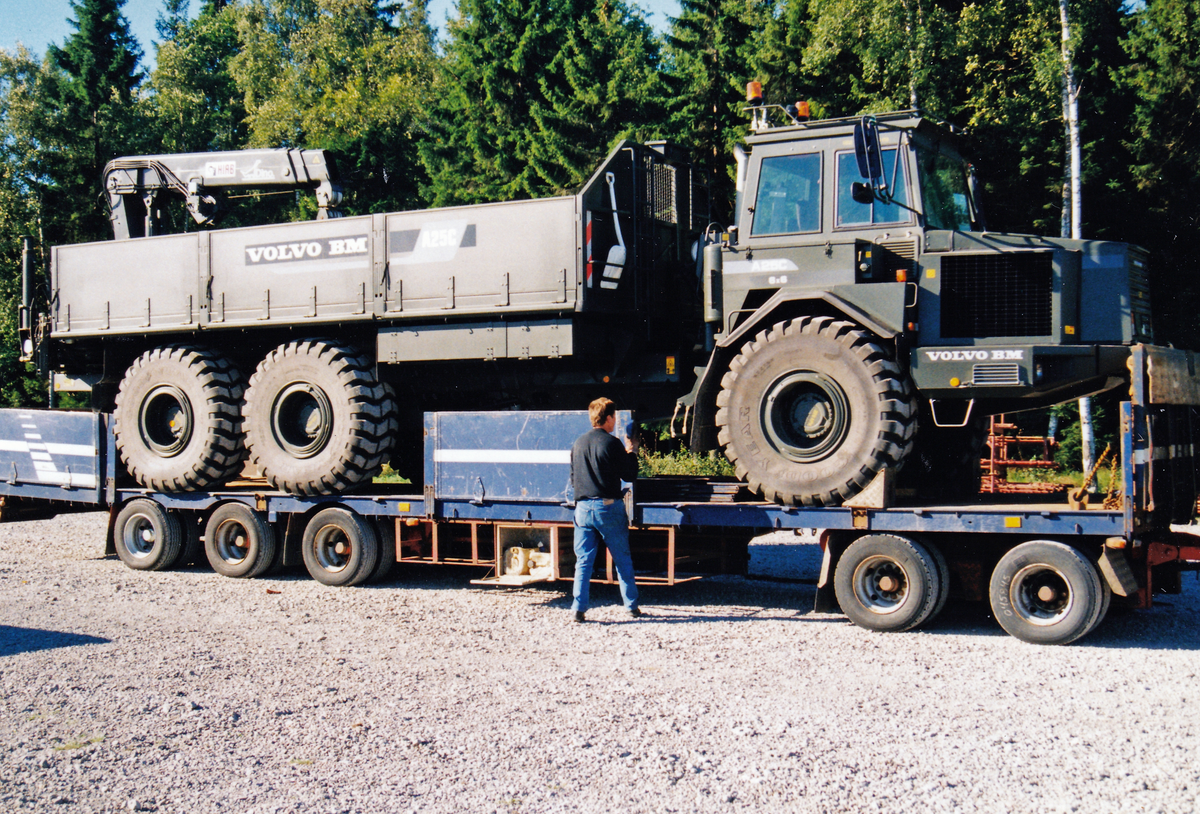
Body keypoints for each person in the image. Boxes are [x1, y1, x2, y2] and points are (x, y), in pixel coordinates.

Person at [569, 397, 641, 622]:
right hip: (607, 507)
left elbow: (573, 479)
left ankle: (578, 609)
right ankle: (631, 606)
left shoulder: (578, 443)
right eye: (614, 417)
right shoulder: (612, 443)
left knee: (583, 561)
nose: (615, 421)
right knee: (621, 558)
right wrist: (632, 451)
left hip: (582, 509)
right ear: (608, 418)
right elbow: (629, 475)